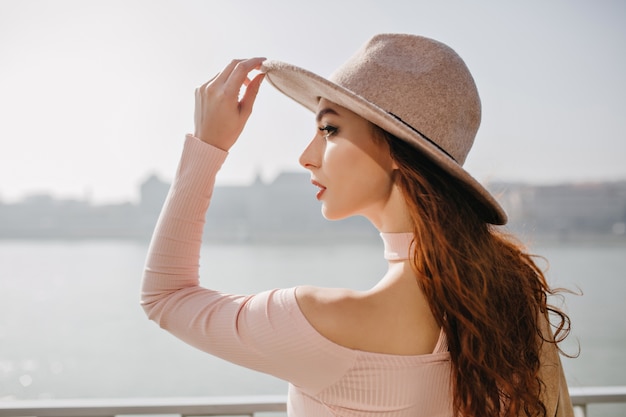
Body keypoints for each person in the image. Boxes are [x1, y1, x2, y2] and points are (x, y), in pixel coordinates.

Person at [141, 34, 574, 417]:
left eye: (329, 129)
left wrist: (207, 145)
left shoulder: (326, 324)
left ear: (395, 150)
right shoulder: (511, 298)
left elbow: (164, 296)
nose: (306, 156)